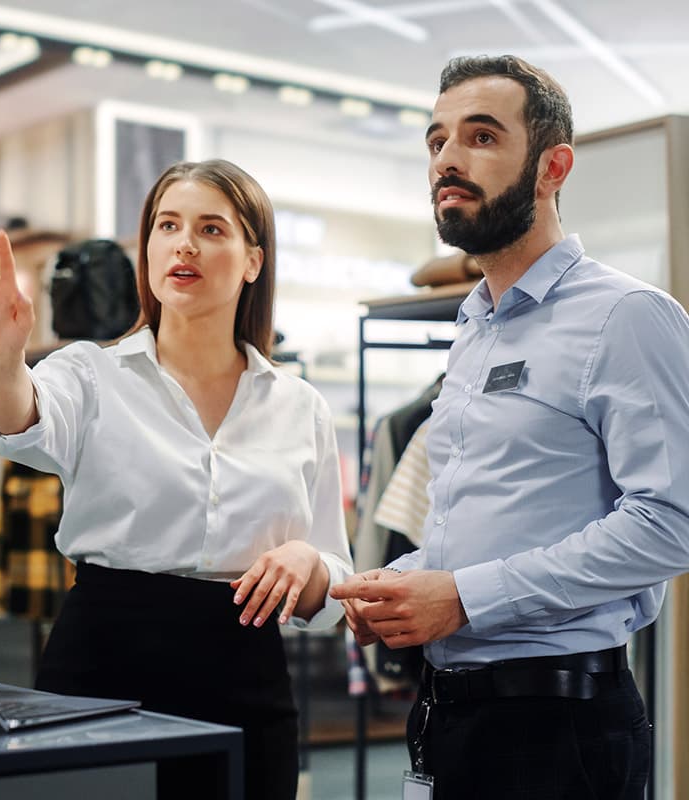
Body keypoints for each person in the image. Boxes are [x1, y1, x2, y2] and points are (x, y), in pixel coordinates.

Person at [331, 54, 689, 800]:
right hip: (451, 712)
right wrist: (398, 586)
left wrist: (465, 596)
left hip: (559, 728)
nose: (448, 161)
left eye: (482, 137)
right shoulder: (474, 326)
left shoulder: (625, 316)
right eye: (436, 142)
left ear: (553, 166)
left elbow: (671, 524)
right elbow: (487, 521)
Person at [0, 158, 353, 799]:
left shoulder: (300, 407)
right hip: (104, 667)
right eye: (167, 225)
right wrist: (0, 361)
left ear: (252, 261)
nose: (184, 243)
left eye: (211, 229)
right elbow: (16, 420)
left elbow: (333, 578)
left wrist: (309, 562)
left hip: (247, 676)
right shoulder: (90, 374)